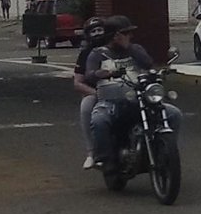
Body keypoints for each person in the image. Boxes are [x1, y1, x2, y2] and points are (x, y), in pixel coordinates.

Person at [81, 16, 182, 171]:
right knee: (99, 120)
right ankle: (104, 158)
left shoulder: (136, 49)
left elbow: (148, 64)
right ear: (115, 36)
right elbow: (89, 75)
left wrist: (128, 47)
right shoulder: (98, 54)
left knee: (174, 114)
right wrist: (100, 74)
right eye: (126, 33)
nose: (130, 36)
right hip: (110, 101)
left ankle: (165, 151)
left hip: (140, 99)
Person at [71, 17, 109, 167]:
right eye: (93, 31)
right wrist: (95, 93)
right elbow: (78, 83)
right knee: (86, 107)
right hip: (97, 92)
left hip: (120, 89)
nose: (98, 33)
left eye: (100, 30)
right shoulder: (86, 54)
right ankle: (91, 152)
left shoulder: (116, 47)